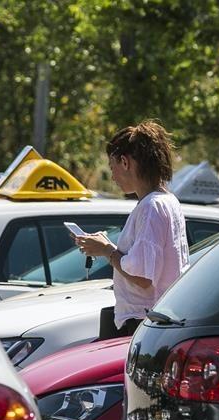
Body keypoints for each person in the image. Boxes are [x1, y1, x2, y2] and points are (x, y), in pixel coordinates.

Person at [76, 120, 189, 339]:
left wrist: (107, 250)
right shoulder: (167, 201)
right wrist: (106, 247)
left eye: (112, 167)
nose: (113, 177)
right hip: (157, 318)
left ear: (125, 162)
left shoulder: (152, 206)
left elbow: (143, 277)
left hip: (144, 322)